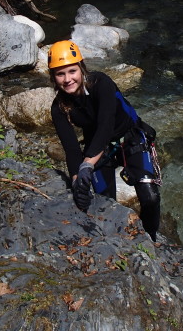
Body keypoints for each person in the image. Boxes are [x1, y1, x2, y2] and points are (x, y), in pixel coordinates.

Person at [48, 40, 161, 241]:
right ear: (53, 77)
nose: (67, 79)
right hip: (98, 145)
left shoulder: (101, 83)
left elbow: (106, 124)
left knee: (150, 198)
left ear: (81, 68)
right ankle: (117, 242)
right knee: (104, 203)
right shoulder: (59, 108)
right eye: (60, 74)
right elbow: (72, 149)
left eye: (72, 71)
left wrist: (88, 164)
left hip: (129, 136)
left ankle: (151, 240)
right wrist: (77, 180)